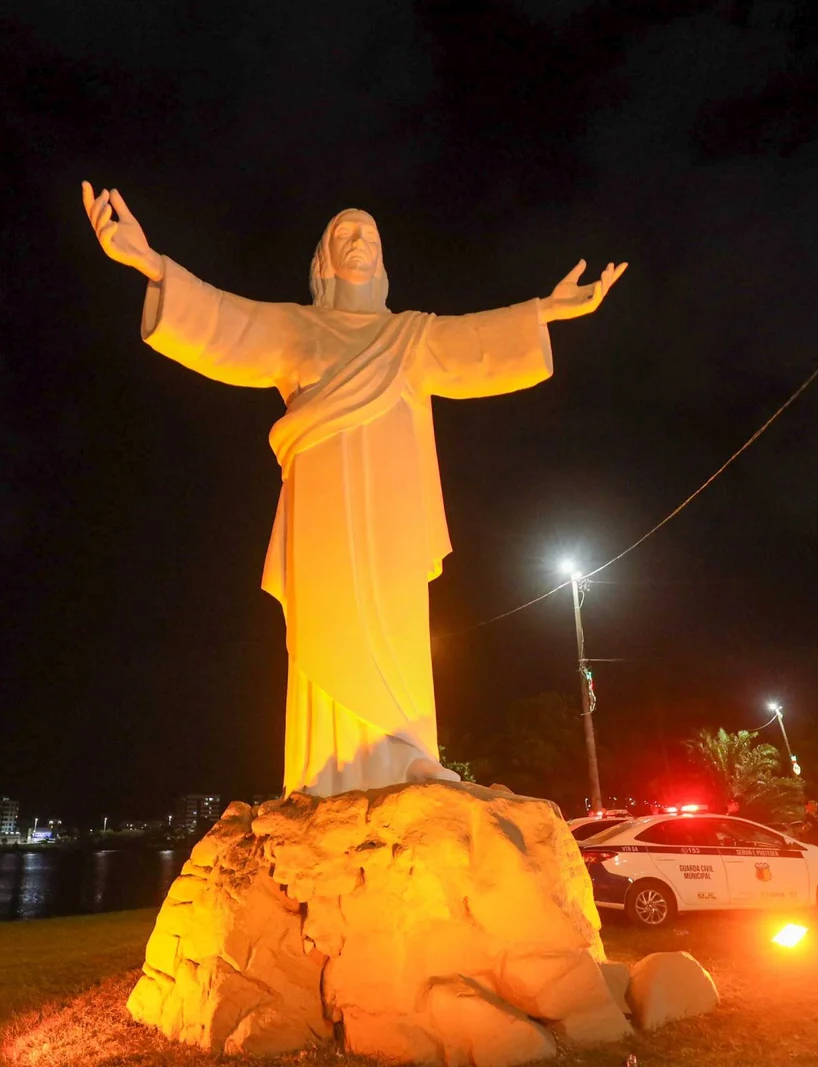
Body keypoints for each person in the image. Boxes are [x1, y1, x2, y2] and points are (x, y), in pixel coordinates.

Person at [81, 182, 629, 797]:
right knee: (328, 623)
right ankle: (324, 778)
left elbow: (475, 342)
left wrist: (544, 311)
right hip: (323, 506)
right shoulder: (295, 328)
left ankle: (410, 753)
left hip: (394, 504)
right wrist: (152, 264)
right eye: (345, 233)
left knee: (398, 623)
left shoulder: (411, 336)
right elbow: (224, 321)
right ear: (325, 257)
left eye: (369, 232)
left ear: (383, 255)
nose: (359, 239)